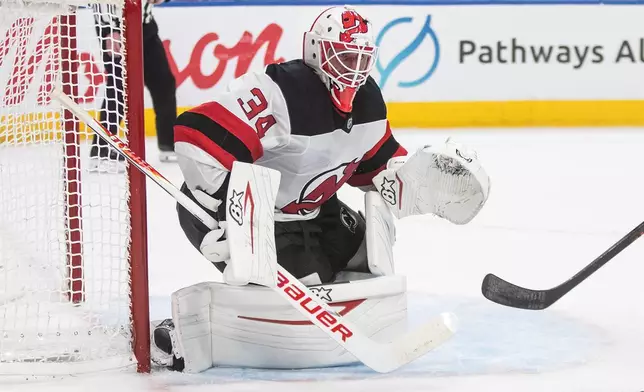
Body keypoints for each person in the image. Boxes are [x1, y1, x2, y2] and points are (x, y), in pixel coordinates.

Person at [150, 5, 490, 372]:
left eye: (361, 59)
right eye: (344, 57)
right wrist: (223, 213)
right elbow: (195, 136)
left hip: (312, 209)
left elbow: (375, 163)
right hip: (245, 215)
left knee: (367, 259)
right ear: (317, 52)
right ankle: (184, 334)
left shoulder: (369, 101)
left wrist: (416, 181)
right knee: (309, 282)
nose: (354, 70)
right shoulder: (282, 92)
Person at [90, 0, 177, 172]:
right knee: (118, 88)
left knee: (164, 83)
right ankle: (101, 152)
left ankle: (168, 143)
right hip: (117, 27)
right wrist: (110, 29)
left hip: (145, 24)